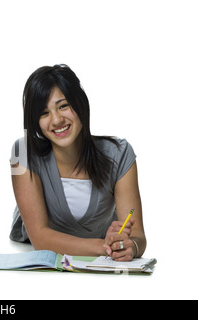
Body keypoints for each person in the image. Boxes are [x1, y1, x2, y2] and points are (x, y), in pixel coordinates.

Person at [9, 64, 146, 261]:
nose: (56, 120)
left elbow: (138, 236)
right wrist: (103, 246)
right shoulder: (22, 152)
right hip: (28, 248)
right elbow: (40, 239)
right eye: (43, 113)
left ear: (80, 103)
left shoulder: (120, 153)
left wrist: (130, 246)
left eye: (63, 106)